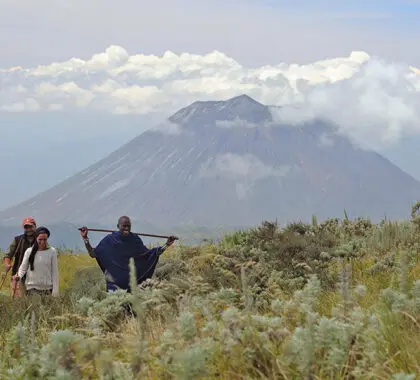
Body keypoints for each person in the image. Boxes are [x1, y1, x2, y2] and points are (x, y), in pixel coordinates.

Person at [79, 216, 177, 293]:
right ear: (118, 226)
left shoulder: (135, 240)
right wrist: (85, 239)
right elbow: (93, 253)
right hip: (113, 288)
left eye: (128, 226)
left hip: (132, 287)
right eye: (124, 226)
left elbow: (149, 255)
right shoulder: (109, 240)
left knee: (131, 315)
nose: (126, 228)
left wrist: (166, 245)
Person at [12, 226, 59, 297]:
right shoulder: (29, 251)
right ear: (36, 238)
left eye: (45, 239)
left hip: (48, 289)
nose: (42, 242)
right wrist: (18, 276)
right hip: (32, 289)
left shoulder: (52, 251)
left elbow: (55, 272)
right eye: (40, 239)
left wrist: (55, 292)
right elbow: (23, 268)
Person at [3, 217, 37, 297]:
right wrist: (7, 264)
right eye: (26, 227)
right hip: (18, 276)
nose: (28, 229)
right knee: (18, 302)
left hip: (35, 277)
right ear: (23, 228)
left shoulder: (40, 240)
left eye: (30, 227)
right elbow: (8, 255)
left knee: (34, 302)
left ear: (35, 226)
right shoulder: (17, 240)